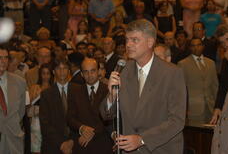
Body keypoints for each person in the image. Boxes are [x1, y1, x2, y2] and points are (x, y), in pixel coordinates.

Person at [101, 19, 187, 153]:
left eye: (134, 40)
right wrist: (112, 95)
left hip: (160, 149)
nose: (128, 44)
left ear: (150, 42)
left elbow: (177, 121)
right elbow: (105, 115)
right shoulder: (123, 71)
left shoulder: (172, 73)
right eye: (127, 39)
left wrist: (142, 139)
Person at [67, 57, 113, 153]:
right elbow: (70, 118)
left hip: (103, 145)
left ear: (98, 71)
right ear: (81, 74)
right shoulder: (75, 92)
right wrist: (82, 128)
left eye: (92, 71)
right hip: (82, 145)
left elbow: (110, 119)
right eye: (86, 72)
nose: (90, 75)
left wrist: (92, 132)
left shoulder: (108, 90)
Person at [39, 59, 79, 154]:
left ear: (69, 71)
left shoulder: (79, 90)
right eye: (58, 68)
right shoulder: (46, 94)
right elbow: (45, 123)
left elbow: (82, 118)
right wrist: (62, 143)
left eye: (65, 68)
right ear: (53, 71)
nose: (62, 71)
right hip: (53, 145)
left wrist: (71, 141)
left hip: (75, 144)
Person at [178, 37, 218, 122]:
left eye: (199, 45)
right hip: (193, 109)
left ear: (203, 46)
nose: (196, 48)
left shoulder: (211, 63)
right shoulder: (183, 64)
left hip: (210, 107)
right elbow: (181, 90)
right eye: (193, 46)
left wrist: (217, 106)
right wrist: (184, 109)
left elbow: (215, 86)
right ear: (190, 48)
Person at [209, 24, 228, 125]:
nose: (226, 44)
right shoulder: (226, 56)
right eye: (222, 42)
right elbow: (224, 85)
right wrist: (218, 107)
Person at [0, 45, 26, 154]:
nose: (3, 61)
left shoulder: (19, 81)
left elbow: (21, 111)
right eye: (0, 58)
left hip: (13, 136)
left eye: (6, 58)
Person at [28, 63, 54, 153]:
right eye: (43, 73)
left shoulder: (54, 89)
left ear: (51, 75)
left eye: (48, 73)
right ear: (40, 74)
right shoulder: (34, 88)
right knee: (36, 148)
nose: (46, 76)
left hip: (50, 122)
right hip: (36, 122)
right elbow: (28, 108)